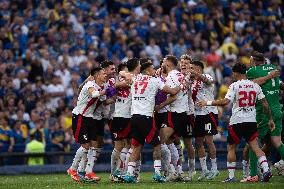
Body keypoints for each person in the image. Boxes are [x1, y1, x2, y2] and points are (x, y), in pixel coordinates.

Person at [197, 62, 274, 182]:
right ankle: (266, 169)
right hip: (251, 121)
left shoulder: (234, 85)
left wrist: (206, 102)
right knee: (255, 147)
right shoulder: (255, 85)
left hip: (237, 121)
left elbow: (225, 102)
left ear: (235, 73)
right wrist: (270, 119)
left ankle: (231, 177)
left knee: (231, 148)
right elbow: (264, 103)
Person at [117, 60, 182, 183]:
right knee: (157, 145)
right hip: (146, 117)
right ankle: (157, 173)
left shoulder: (134, 78)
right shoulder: (155, 80)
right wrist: (182, 85)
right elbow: (173, 92)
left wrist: (126, 74)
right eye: (152, 68)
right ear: (147, 70)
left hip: (134, 117)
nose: (154, 70)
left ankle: (130, 174)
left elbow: (121, 73)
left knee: (136, 146)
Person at [244, 51, 284, 182]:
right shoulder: (273, 68)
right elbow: (281, 85)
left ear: (255, 61)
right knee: (277, 142)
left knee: (253, 142)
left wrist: (267, 78)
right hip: (277, 109)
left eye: (250, 60)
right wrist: (271, 77)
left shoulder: (252, 71)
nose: (249, 62)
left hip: (264, 112)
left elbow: (251, 84)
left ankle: (253, 174)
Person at [67, 67, 107, 182]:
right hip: (80, 116)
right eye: (103, 73)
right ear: (97, 75)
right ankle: (73, 169)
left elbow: (103, 100)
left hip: (90, 118)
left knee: (94, 144)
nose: (105, 75)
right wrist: (105, 92)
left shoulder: (100, 87)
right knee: (85, 146)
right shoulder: (90, 84)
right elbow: (94, 94)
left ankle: (89, 172)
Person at [190, 60, 219, 180]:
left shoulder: (206, 75)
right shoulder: (191, 81)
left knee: (209, 141)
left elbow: (209, 81)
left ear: (198, 68)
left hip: (208, 112)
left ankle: (214, 168)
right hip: (197, 114)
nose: (190, 69)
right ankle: (204, 170)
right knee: (198, 143)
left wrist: (196, 74)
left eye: (192, 67)